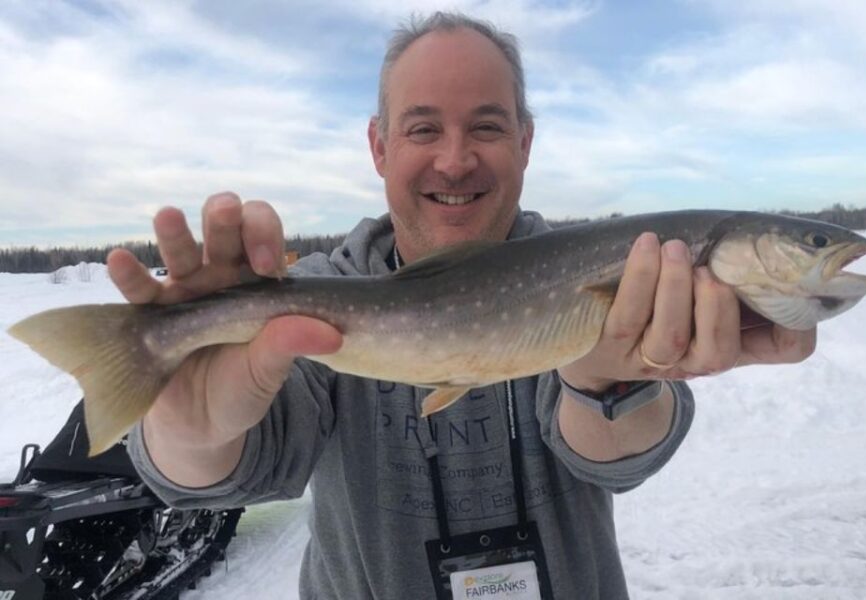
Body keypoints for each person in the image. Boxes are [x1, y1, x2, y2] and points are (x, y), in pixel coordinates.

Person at [108, 12, 816, 599]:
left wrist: (608, 378)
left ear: (525, 143)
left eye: (486, 127)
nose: (454, 160)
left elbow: (617, 461)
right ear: (379, 146)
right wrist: (189, 429)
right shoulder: (320, 295)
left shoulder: (597, 271)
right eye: (423, 129)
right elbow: (229, 469)